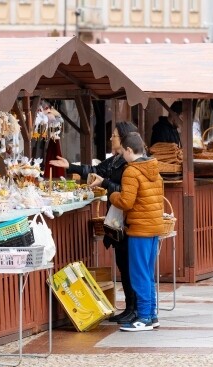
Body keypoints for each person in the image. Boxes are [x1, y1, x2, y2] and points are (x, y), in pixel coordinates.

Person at [49, 121, 138, 325]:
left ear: (123, 139)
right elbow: (97, 170)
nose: (110, 138)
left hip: (127, 221)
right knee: (123, 266)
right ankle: (130, 307)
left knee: (130, 266)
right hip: (116, 220)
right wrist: (70, 166)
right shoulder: (116, 160)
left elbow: (124, 191)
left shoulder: (129, 164)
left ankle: (136, 309)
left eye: (113, 135)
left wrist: (105, 184)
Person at [110, 132, 164, 332]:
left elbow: (126, 201)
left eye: (122, 151)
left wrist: (113, 194)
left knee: (138, 274)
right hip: (154, 227)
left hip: (139, 229)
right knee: (147, 273)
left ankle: (143, 318)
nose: (121, 155)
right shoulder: (154, 169)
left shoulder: (131, 171)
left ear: (130, 150)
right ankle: (152, 314)